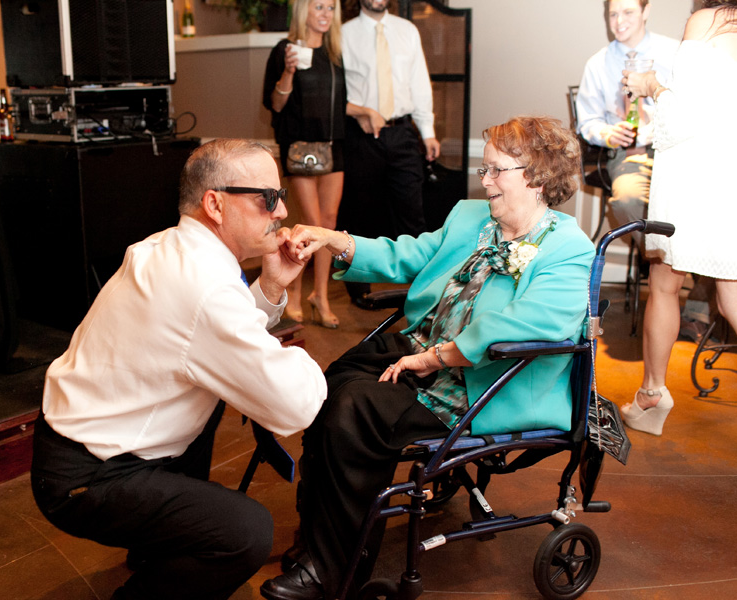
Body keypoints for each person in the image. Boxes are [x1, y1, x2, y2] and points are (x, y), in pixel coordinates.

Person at [259, 116, 595, 600]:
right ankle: (318, 538)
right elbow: (409, 255)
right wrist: (334, 239)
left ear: (537, 177)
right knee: (330, 384)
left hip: (481, 382)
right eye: (485, 169)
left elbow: (529, 323)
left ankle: (331, 572)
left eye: (496, 170)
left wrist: (437, 358)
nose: (485, 181)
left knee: (357, 411)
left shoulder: (569, 250)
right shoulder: (470, 217)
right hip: (421, 347)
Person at [29, 139, 327, 600]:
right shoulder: (205, 286)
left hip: (74, 444)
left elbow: (208, 337)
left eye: (281, 195)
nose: (283, 211)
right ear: (215, 204)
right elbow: (295, 404)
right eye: (268, 198)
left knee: (214, 394)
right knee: (246, 532)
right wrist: (321, 367)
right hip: (87, 477)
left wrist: (268, 286)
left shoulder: (165, 246)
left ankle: (156, 549)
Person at [621, 1, 737, 435]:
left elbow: (680, 119)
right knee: (735, 300)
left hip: (696, 175)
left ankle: (652, 394)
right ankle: (650, 396)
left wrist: (651, 84)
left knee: (664, 283)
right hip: (736, 175)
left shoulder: (709, 20)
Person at [337, 0, 440, 308]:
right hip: (360, 135)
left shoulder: (407, 30)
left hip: (402, 132)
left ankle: (423, 290)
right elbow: (337, 91)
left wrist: (428, 131)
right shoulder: (342, 34)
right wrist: (359, 113)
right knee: (360, 214)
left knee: (412, 213)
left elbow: (419, 83)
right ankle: (359, 290)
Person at [262, 0, 347, 329]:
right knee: (312, 222)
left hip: (333, 146)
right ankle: (295, 291)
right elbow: (275, 103)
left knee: (328, 224)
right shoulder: (284, 50)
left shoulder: (334, 53)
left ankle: (320, 296)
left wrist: (368, 112)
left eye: (330, 8)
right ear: (304, 11)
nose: (326, 14)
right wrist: (289, 70)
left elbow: (339, 103)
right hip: (299, 147)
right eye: (319, 6)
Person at [575, 0, 678, 250]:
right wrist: (607, 134)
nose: (619, 22)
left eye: (628, 12)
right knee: (626, 201)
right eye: (613, 14)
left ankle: (684, 265)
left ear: (646, 10)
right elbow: (587, 121)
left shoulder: (674, 53)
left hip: (673, 149)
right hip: (629, 154)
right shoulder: (597, 64)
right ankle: (658, 258)